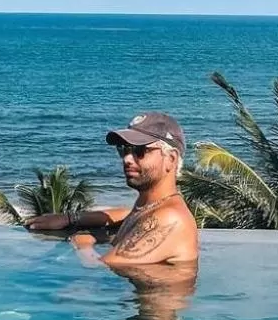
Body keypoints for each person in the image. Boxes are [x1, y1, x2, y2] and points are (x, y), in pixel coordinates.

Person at [25, 111, 200, 270]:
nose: (127, 159)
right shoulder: (151, 207)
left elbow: (99, 268)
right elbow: (128, 215)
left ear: (170, 159)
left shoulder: (170, 218)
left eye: (140, 151)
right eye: (123, 150)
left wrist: (83, 242)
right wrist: (70, 218)